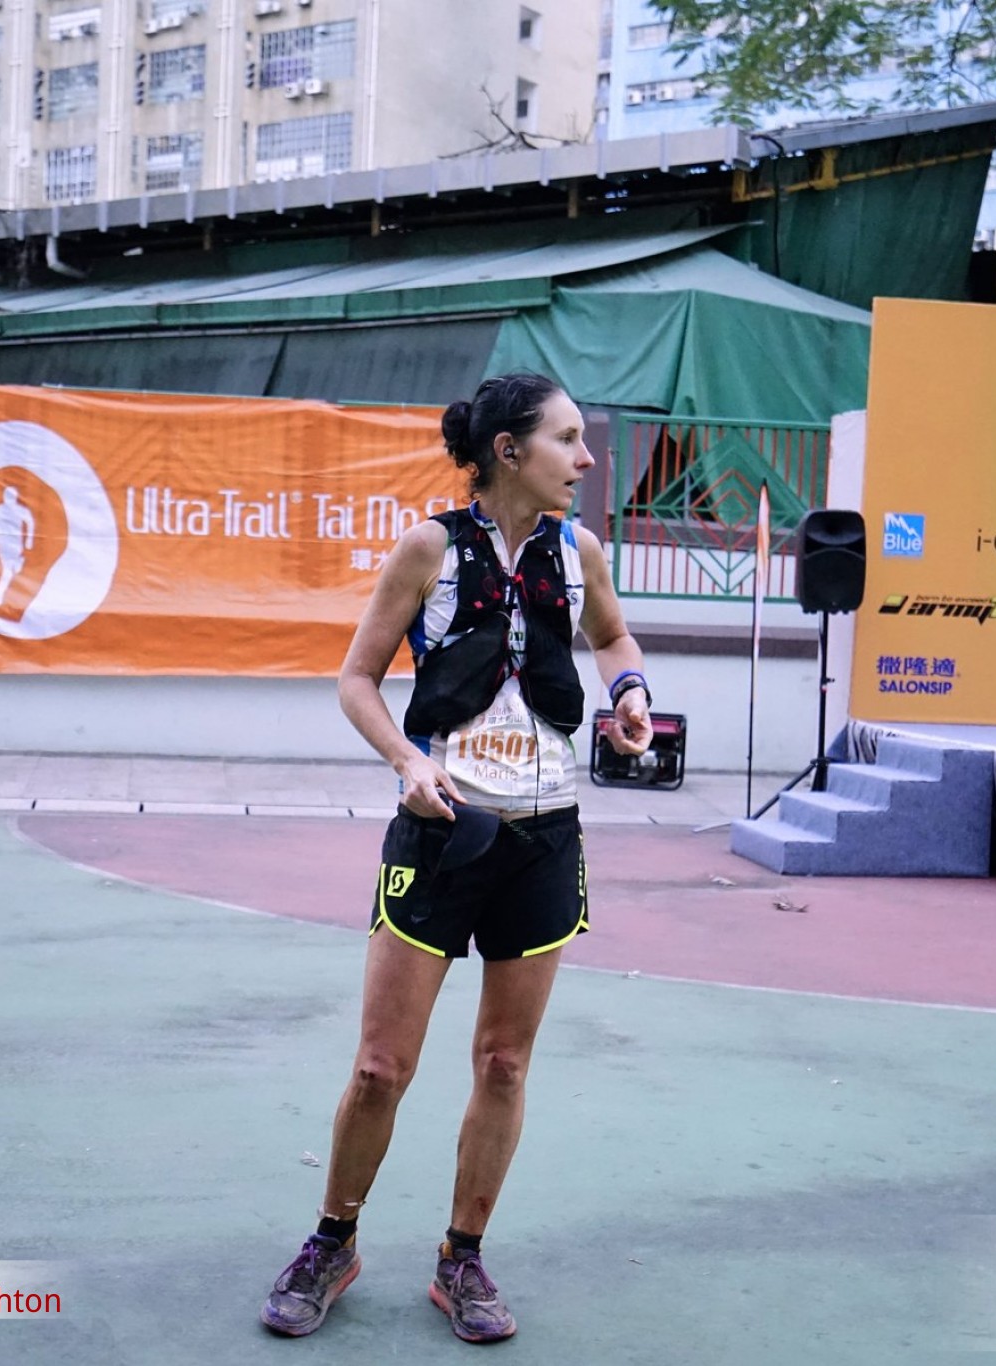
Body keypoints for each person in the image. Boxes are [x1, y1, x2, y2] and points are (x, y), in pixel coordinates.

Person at [261, 373, 654, 1343]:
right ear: (508, 451)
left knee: (504, 1064)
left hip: (545, 837)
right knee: (378, 1067)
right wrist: (406, 761)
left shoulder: (581, 552)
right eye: (567, 438)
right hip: (441, 831)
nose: (586, 458)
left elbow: (611, 634)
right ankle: (332, 1240)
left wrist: (630, 694)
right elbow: (357, 679)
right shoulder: (428, 549)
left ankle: (462, 1256)